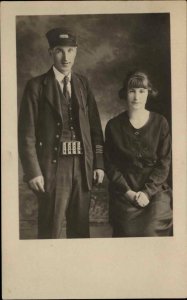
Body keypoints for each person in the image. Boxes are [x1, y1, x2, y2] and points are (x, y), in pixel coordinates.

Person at [18, 27, 104, 239]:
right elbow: (26, 134)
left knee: (80, 232)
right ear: (50, 52)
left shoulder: (83, 84)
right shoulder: (36, 86)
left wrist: (99, 163)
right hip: (52, 168)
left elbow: (95, 128)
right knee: (51, 231)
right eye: (59, 50)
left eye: (70, 51)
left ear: (76, 51)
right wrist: (33, 171)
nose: (66, 57)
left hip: (82, 166)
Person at [104, 70, 173, 237]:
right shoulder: (113, 126)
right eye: (132, 91)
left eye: (142, 91)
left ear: (148, 92)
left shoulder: (160, 123)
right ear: (125, 94)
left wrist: (147, 192)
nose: (137, 97)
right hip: (125, 191)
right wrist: (128, 192)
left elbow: (164, 162)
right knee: (127, 231)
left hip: (155, 190)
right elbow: (110, 165)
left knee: (150, 229)